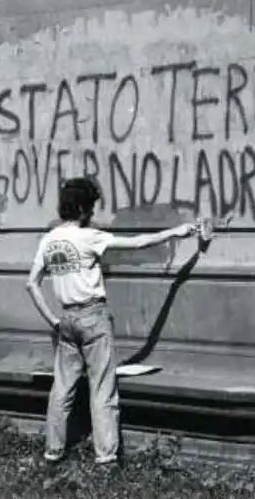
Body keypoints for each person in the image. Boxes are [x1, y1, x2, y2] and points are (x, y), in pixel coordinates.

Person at [25, 177, 196, 465]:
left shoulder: (48, 240)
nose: (92, 213)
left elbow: (31, 284)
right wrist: (176, 232)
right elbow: (138, 243)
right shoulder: (89, 237)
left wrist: (54, 321)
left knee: (61, 390)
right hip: (93, 316)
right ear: (82, 208)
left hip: (65, 318)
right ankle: (105, 458)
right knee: (102, 388)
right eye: (91, 207)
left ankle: (53, 451)